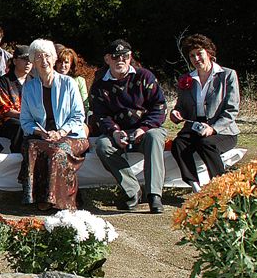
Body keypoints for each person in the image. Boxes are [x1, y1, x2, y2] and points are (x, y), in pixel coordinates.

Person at [90, 39, 168, 213]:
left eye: (124, 56)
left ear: (130, 57)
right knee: (103, 145)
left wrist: (144, 128)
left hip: (147, 129)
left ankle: (154, 195)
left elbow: (160, 107)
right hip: (118, 133)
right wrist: (115, 132)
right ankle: (132, 191)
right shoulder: (99, 85)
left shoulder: (145, 77)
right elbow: (100, 115)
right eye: (115, 56)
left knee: (155, 137)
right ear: (107, 59)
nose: (120, 60)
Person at [19, 39, 89, 210]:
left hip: (72, 135)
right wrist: (40, 132)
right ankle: (38, 197)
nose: (44, 61)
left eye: (48, 56)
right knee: (31, 147)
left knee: (58, 150)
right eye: (39, 57)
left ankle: (60, 200)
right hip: (44, 135)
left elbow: (79, 116)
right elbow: (25, 121)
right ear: (33, 62)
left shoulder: (69, 83)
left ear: (54, 58)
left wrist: (61, 132)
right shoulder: (29, 88)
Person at [169, 33, 240, 191]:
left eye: (199, 53)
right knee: (178, 144)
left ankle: (221, 186)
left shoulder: (227, 75)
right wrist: (176, 113)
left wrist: (213, 128)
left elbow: (231, 109)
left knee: (206, 144)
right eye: (192, 56)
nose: (196, 59)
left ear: (209, 53)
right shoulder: (186, 79)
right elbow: (181, 106)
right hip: (195, 127)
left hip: (223, 131)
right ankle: (194, 185)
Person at [0, 45, 33, 153]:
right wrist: (24, 116)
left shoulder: (34, 82)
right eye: (24, 59)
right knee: (19, 127)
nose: (28, 63)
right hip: (8, 122)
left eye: (31, 60)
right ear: (15, 61)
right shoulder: (4, 81)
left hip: (31, 120)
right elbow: (3, 109)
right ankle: (19, 160)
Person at [54, 45, 89, 112]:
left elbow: (85, 104)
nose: (63, 65)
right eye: (60, 62)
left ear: (71, 64)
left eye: (66, 62)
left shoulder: (79, 81)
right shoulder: (50, 79)